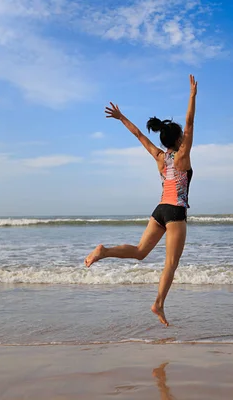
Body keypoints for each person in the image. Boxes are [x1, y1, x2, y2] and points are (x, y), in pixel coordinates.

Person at [84, 74, 197, 327]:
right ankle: (158, 303)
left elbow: (138, 135)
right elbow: (189, 123)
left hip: (159, 211)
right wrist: (192, 96)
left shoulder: (159, 156)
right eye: (183, 136)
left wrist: (121, 116)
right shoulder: (182, 157)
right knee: (171, 263)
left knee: (140, 252)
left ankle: (104, 251)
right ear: (179, 139)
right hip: (176, 212)